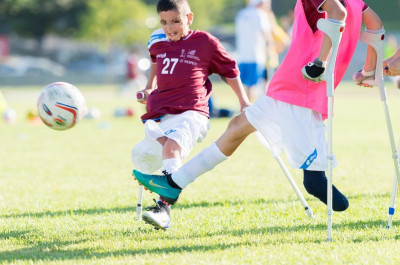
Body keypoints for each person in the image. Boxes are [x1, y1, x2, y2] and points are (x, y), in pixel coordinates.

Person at [133, 0, 384, 217]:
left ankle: (321, 187)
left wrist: (320, 62)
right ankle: (174, 183)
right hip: (287, 86)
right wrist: (369, 69)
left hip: (301, 87)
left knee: (314, 180)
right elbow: (375, 26)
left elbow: (338, 13)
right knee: (236, 129)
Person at [131, 0, 250, 230]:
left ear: (189, 18)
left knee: (171, 148)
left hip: (191, 112)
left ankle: (163, 210)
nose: (169, 27)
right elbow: (155, 61)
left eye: (176, 21)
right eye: (164, 22)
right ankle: (165, 192)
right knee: (155, 152)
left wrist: (244, 102)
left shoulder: (205, 42)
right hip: (158, 113)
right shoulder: (157, 39)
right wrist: (148, 86)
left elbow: (230, 70)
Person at [235, 0, 274, 102]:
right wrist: (272, 46)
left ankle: (245, 106)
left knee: (245, 85)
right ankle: (249, 108)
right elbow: (266, 34)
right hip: (256, 55)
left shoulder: (241, 14)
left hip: (242, 55)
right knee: (254, 84)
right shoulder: (260, 14)